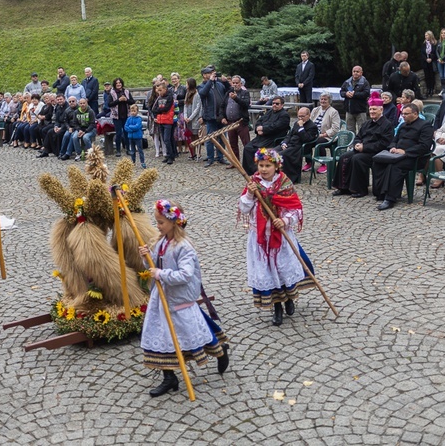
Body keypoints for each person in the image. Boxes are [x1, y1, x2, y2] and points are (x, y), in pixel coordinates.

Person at [138, 200, 229, 397]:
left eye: (161, 222)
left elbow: (185, 275)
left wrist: (160, 274)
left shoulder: (184, 247)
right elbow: (153, 267)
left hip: (179, 300)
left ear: (173, 222)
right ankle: (169, 377)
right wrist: (147, 258)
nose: (158, 226)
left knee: (192, 334)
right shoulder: (161, 242)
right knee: (162, 335)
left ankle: (220, 350)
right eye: (157, 222)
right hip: (161, 298)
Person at [239, 148, 314, 326]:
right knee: (268, 272)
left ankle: (289, 299)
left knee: (282, 269)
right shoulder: (253, 183)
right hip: (260, 238)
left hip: (281, 237)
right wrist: (250, 194)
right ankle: (277, 306)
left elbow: (295, 208)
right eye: (261, 165)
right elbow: (243, 208)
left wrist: (285, 220)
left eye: (268, 166)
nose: (264, 169)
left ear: (276, 166)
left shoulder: (284, 183)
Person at [372, 103, 433, 210]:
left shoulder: (425, 126)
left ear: (415, 114)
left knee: (394, 166)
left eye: (406, 114)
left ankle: (390, 198)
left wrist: (405, 152)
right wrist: (392, 147)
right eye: (402, 114)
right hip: (397, 154)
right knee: (378, 161)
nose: (403, 116)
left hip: (415, 158)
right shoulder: (403, 125)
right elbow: (394, 139)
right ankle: (380, 192)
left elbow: (424, 146)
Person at [332, 93, 393, 198]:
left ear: (381, 110)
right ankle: (343, 187)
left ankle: (359, 189)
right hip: (361, 149)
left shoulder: (387, 125)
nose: (372, 112)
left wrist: (364, 147)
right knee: (344, 157)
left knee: (357, 159)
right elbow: (358, 136)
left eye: (374, 109)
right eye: (370, 109)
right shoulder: (367, 123)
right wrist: (357, 144)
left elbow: (384, 143)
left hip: (375, 152)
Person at [242, 95, 290, 175]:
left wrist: (263, 129)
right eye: (273, 103)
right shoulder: (270, 112)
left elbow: (276, 127)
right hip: (262, 136)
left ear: (282, 105)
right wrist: (258, 129)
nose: (274, 105)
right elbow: (259, 121)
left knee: (257, 150)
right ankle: (249, 171)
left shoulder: (284, 115)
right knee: (247, 148)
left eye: (277, 104)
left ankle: (258, 170)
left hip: (273, 137)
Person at [197, 65, 229, 168]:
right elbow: (203, 93)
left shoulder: (219, 85)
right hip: (210, 116)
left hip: (221, 116)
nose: (212, 74)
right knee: (210, 138)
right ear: (204, 75)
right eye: (210, 73)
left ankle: (221, 157)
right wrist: (210, 81)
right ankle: (210, 158)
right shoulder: (202, 86)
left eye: (213, 72)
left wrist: (225, 82)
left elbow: (228, 92)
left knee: (222, 137)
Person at [302, 92, 340, 174]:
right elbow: (309, 122)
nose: (323, 101)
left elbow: (336, 128)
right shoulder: (316, 110)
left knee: (318, 142)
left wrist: (323, 134)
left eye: (325, 99)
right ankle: (309, 163)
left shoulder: (334, 112)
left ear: (329, 101)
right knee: (305, 140)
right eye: (321, 99)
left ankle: (324, 164)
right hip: (314, 134)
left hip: (327, 136)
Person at [278, 107, 318, 184]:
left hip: (300, 147)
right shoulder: (296, 123)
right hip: (289, 144)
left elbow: (306, 139)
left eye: (302, 116)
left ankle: (285, 177)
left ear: (309, 115)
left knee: (280, 155)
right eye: (299, 116)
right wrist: (284, 143)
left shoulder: (312, 126)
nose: (300, 118)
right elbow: (289, 135)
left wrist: (301, 127)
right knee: (272, 152)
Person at [219, 75, 251, 166]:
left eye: (237, 83)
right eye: (233, 83)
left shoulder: (245, 93)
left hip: (241, 122)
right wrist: (222, 117)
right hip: (230, 122)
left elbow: (245, 105)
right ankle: (235, 162)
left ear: (241, 84)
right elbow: (222, 106)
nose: (235, 84)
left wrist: (236, 98)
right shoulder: (228, 93)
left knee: (246, 143)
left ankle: (249, 163)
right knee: (232, 144)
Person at [340, 65, 370, 133]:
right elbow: (341, 92)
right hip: (349, 110)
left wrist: (355, 94)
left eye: (357, 71)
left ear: (361, 73)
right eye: (354, 71)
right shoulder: (347, 82)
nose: (355, 73)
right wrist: (346, 94)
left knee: (362, 130)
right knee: (349, 131)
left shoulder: (365, 83)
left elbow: (366, 93)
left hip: (360, 110)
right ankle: (351, 144)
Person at [109, 78, 135, 157]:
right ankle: (118, 150)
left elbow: (132, 101)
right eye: (117, 83)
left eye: (120, 83)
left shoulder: (126, 91)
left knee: (127, 132)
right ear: (115, 84)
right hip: (116, 116)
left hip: (126, 115)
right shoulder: (112, 93)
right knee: (119, 133)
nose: (118, 84)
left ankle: (128, 149)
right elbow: (109, 104)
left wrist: (126, 99)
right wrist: (118, 100)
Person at [151, 83, 176, 165]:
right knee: (164, 139)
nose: (159, 92)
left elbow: (166, 108)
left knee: (167, 139)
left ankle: (171, 156)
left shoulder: (169, 97)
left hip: (168, 120)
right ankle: (169, 155)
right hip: (161, 120)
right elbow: (154, 108)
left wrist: (159, 110)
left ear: (165, 89)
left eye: (161, 90)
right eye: (158, 91)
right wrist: (159, 110)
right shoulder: (159, 97)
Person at [183, 78, 202, 161]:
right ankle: (192, 153)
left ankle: (198, 152)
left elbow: (198, 107)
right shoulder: (187, 93)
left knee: (196, 135)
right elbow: (185, 106)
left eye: (186, 83)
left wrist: (190, 118)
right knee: (190, 136)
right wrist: (185, 116)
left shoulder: (197, 94)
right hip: (188, 119)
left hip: (194, 119)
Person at [124, 104, 146, 168]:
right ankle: (133, 161)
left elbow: (137, 127)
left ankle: (142, 162)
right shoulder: (129, 119)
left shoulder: (139, 119)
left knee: (140, 150)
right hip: (131, 137)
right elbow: (125, 127)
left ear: (137, 111)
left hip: (138, 137)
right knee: (132, 151)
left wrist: (130, 127)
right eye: (132, 111)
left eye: (134, 111)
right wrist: (131, 129)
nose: (133, 112)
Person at [421, 31, 439, 96]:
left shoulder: (434, 44)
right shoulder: (424, 44)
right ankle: (428, 89)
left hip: (432, 61)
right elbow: (422, 53)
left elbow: (435, 52)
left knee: (432, 75)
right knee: (427, 76)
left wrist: (431, 58)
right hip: (425, 62)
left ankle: (432, 88)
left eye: (427, 35)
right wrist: (426, 59)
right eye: (425, 35)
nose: (426, 37)